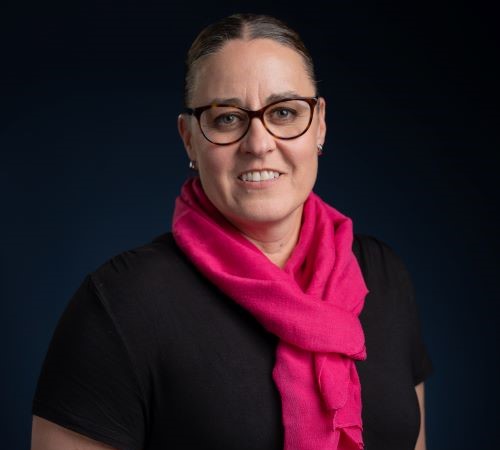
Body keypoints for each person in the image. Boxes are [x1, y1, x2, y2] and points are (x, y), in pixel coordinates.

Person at [31, 13, 432, 450]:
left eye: (283, 112)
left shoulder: (383, 276)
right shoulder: (120, 304)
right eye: (226, 119)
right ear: (189, 139)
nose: (258, 143)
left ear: (319, 124)